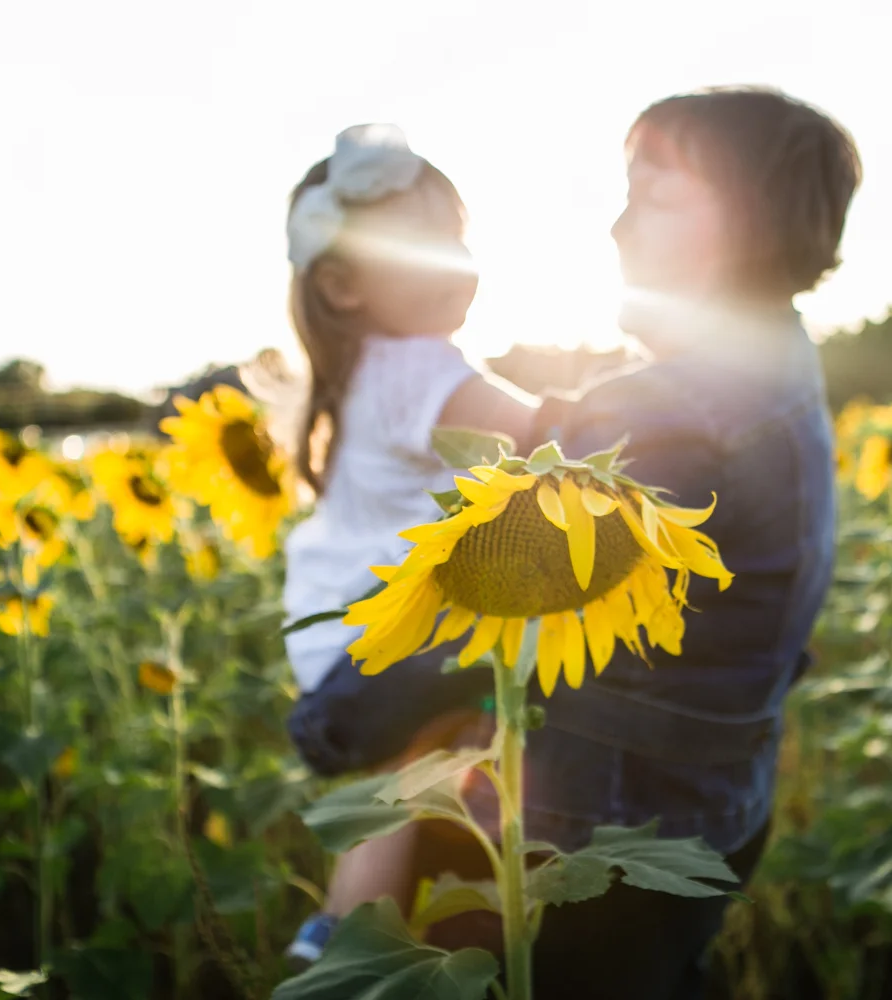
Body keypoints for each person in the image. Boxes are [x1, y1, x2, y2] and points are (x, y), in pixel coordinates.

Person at [504, 84, 862, 999]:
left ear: (747, 222)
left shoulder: (670, 409)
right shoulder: (778, 363)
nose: (618, 228)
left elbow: (514, 597)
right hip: (717, 806)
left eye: (655, 196)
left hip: (611, 826)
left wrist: (346, 718)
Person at [276, 124, 535, 964]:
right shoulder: (415, 370)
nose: (456, 261)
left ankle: (348, 932)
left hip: (344, 654)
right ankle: (351, 942)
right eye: (423, 244)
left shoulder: (367, 375)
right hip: (381, 649)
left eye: (457, 239)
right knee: (419, 763)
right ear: (344, 284)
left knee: (419, 763)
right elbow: (537, 438)